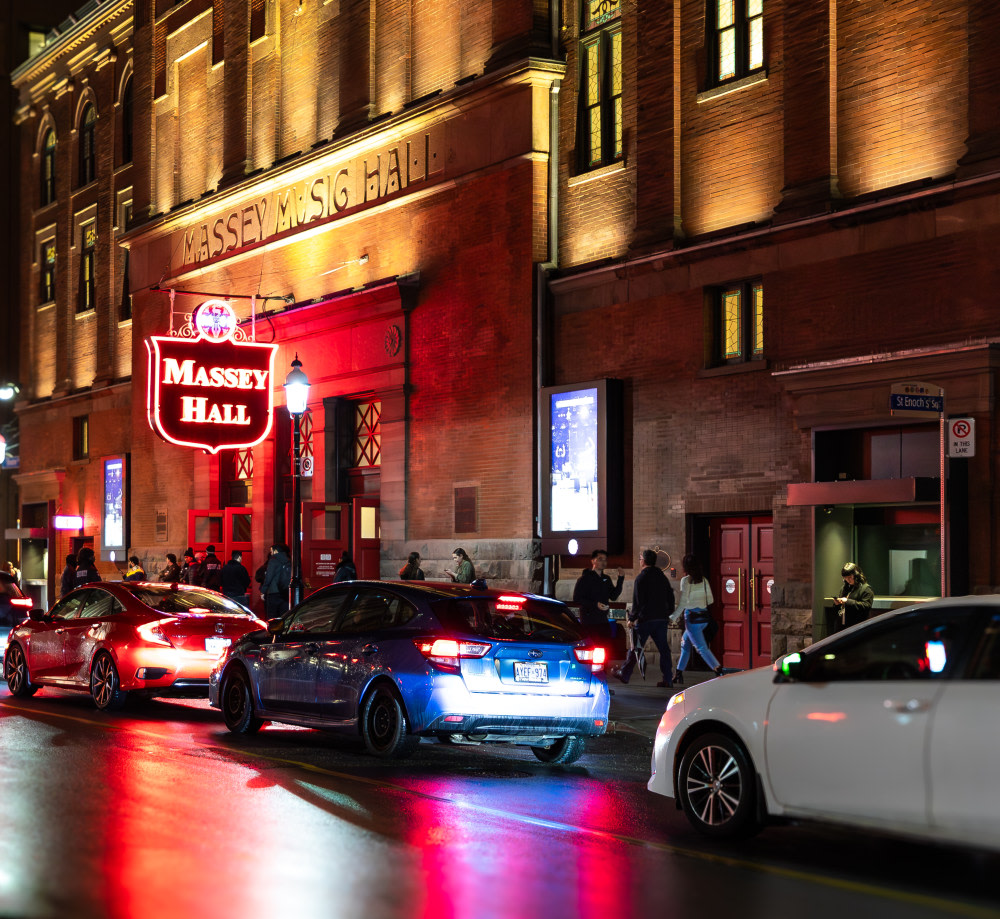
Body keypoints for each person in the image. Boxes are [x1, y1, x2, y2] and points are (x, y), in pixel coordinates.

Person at [620, 549, 676, 687]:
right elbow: (671, 596)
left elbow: (638, 601)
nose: (639, 560)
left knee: (636, 647)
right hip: (661, 619)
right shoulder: (662, 577)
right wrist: (668, 613)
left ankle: (625, 674)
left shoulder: (641, 578)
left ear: (643, 561)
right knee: (664, 649)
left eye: (640, 558)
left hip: (646, 619)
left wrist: (632, 618)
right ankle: (667, 678)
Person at [672, 554, 723, 683]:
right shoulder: (704, 580)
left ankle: (718, 669)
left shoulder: (685, 581)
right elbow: (710, 600)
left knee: (701, 648)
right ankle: (678, 673)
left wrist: (673, 617)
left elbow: (683, 603)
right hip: (703, 618)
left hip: (691, 619)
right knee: (685, 643)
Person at [572, 549, 623, 639]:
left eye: (605, 560)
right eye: (600, 559)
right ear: (593, 561)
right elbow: (577, 598)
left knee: (607, 646)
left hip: (603, 620)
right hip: (589, 622)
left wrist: (620, 579)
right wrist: (595, 604)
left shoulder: (606, 579)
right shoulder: (585, 579)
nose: (603, 562)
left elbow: (613, 596)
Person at [835, 561, 874, 629]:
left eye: (850, 577)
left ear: (856, 576)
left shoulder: (866, 589)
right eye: (845, 578)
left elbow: (866, 606)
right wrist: (837, 603)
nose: (847, 580)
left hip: (857, 626)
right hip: (842, 625)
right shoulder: (844, 588)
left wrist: (847, 601)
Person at [261, 543, 292, 618]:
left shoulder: (273, 560)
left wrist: (263, 591)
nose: (271, 553)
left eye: (271, 551)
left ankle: (274, 630)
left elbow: (269, 577)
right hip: (285, 592)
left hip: (273, 592)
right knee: (284, 616)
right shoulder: (288, 560)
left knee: (272, 616)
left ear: (276, 551)